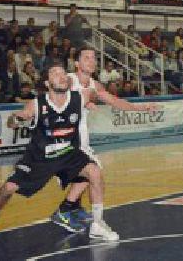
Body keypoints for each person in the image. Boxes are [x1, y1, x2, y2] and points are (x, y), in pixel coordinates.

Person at [0, 61, 118, 246]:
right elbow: (14, 121)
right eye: (56, 74)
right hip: (39, 158)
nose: (62, 76)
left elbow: (102, 93)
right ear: (48, 84)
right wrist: (16, 120)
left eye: (64, 73)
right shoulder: (36, 105)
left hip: (68, 154)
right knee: (7, 189)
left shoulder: (79, 97)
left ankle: (97, 224)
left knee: (94, 172)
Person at [50, 48, 156, 231]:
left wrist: (141, 107)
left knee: (87, 174)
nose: (92, 61)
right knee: (94, 173)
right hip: (61, 138)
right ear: (76, 63)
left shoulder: (95, 86)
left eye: (94, 58)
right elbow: (52, 99)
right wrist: (80, 101)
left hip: (80, 138)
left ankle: (74, 207)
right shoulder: (67, 80)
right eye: (86, 58)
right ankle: (65, 210)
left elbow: (115, 102)